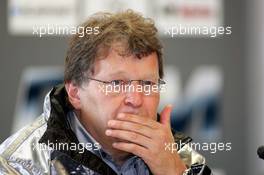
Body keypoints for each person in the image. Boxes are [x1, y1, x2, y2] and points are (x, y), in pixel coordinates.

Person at [0, 10, 212, 175]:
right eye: (117, 83)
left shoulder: (179, 159)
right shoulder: (18, 164)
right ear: (74, 92)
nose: (136, 99)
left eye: (148, 84)